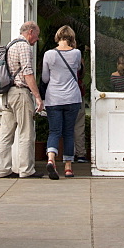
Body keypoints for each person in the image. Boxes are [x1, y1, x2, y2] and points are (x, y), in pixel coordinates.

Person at [0, 21, 44, 179]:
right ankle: (26, 170)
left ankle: (2, 169)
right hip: (20, 93)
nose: (37, 39)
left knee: (6, 134)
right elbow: (28, 73)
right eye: (36, 35)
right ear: (30, 32)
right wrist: (37, 97)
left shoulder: (10, 45)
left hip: (8, 94)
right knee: (26, 132)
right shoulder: (23, 46)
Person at [41, 25, 83, 179]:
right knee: (68, 132)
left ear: (58, 36)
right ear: (71, 37)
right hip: (72, 98)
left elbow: (45, 78)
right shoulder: (76, 53)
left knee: (54, 131)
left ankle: (51, 159)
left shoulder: (48, 54)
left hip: (54, 98)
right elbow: (78, 69)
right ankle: (68, 168)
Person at [73, 44, 89, 163]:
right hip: (76, 93)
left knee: (63, 126)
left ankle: (66, 154)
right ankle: (80, 154)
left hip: (59, 95)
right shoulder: (77, 56)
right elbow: (82, 74)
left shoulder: (52, 55)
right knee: (79, 125)